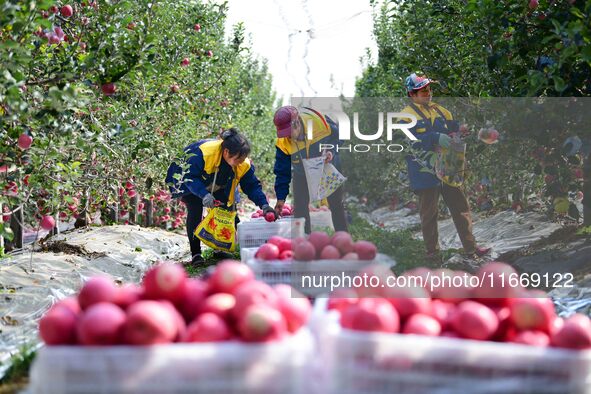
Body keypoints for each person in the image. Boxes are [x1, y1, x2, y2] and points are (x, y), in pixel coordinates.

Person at [402, 73, 490, 261]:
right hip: (424, 170)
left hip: (448, 165)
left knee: (460, 206)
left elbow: (454, 129)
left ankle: (471, 247)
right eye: (422, 90)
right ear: (411, 94)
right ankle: (433, 252)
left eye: (428, 89)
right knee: (429, 212)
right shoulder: (405, 116)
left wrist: (461, 130)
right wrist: (433, 137)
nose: (427, 93)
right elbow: (408, 143)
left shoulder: (442, 111)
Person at [166, 129, 275, 265]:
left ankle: (218, 247)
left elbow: (251, 186)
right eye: (238, 159)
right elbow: (189, 177)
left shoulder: (243, 164)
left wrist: (264, 204)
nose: (240, 163)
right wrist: (203, 194)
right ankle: (196, 254)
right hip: (188, 178)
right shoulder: (203, 154)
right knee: (195, 209)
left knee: (225, 210)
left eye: (242, 159)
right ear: (226, 152)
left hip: (218, 180)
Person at [273, 105, 348, 234]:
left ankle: (343, 237)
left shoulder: (318, 122)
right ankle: (305, 238)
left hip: (326, 166)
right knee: (300, 206)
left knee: (336, 203)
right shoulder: (283, 143)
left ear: (297, 123)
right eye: (284, 134)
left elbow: (339, 136)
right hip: (301, 171)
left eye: (289, 133)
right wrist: (280, 198)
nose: (288, 138)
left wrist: (331, 150)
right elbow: (282, 172)